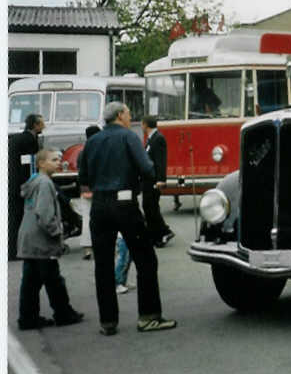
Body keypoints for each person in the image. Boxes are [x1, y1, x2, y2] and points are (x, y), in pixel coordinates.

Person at [78, 101, 177, 336]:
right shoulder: (128, 137)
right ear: (121, 115)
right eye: (128, 113)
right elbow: (147, 168)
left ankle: (108, 322)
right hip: (124, 203)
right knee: (145, 260)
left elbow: (84, 175)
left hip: (99, 205)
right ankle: (149, 316)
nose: (130, 117)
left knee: (102, 265)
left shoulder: (92, 142)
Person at [17, 148, 85, 330]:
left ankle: (27, 317)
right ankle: (63, 313)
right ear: (41, 163)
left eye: (58, 159)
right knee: (54, 279)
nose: (58, 163)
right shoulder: (46, 184)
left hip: (28, 237)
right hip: (42, 239)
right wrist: (57, 233)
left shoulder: (34, 182)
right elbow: (45, 214)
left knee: (31, 281)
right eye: (54, 160)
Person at [9, 114, 45, 261]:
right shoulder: (29, 140)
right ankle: (18, 250)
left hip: (12, 181)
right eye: (42, 123)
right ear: (35, 125)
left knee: (14, 217)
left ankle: (13, 249)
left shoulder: (17, 138)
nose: (44, 126)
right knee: (21, 217)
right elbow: (28, 165)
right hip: (21, 184)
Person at [141, 116, 175, 247]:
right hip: (148, 180)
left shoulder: (158, 139)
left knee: (151, 207)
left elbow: (161, 161)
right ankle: (155, 234)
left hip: (154, 180)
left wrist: (161, 179)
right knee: (149, 207)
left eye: (142, 124)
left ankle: (163, 232)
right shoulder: (150, 139)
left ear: (145, 125)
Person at [75, 125, 101, 260]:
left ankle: (87, 249)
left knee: (87, 218)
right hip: (100, 189)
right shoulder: (102, 150)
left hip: (86, 189)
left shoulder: (82, 152)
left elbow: (81, 173)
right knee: (103, 218)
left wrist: (85, 188)